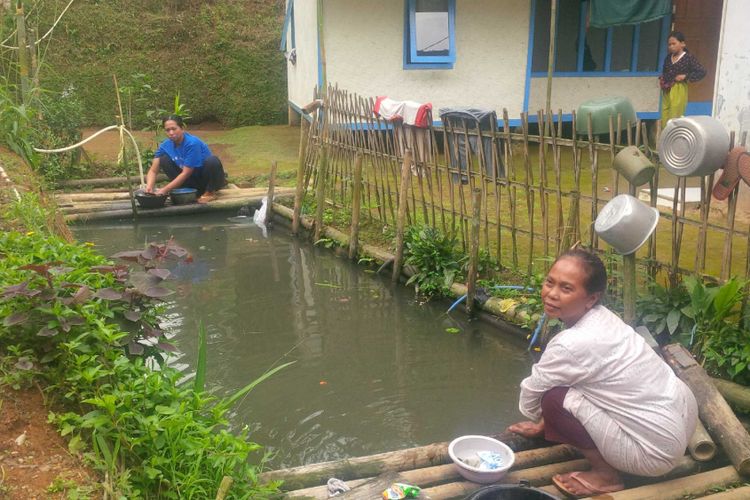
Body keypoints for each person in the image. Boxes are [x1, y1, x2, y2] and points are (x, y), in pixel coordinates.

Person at [508, 249, 698, 497]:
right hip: (683, 423)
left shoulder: (571, 343)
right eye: (549, 282)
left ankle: (605, 475)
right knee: (572, 386)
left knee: (553, 398)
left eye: (566, 289)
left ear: (591, 298)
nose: (552, 294)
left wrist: (541, 417)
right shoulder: (605, 318)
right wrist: (545, 424)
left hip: (652, 455)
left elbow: (532, 394)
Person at [145, 115, 226, 203]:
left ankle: (210, 192)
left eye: (174, 129)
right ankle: (184, 190)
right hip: (190, 181)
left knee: (212, 161)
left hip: (203, 179)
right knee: (163, 159)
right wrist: (149, 187)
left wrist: (164, 190)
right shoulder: (165, 145)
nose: (171, 133)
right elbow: (153, 170)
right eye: (168, 130)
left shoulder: (192, 143)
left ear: (182, 128)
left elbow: (186, 173)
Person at [659, 31, 706, 127]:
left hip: (679, 89)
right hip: (667, 89)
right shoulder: (668, 58)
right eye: (669, 44)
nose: (671, 46)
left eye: (674, 43)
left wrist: (686, 76)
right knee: (664, 114)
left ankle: (674, 137)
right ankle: (665, 137)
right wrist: (663, 79)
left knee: (675, 114)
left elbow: (702, 71)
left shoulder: (688, 58)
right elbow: (664, 71)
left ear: (682, 44)